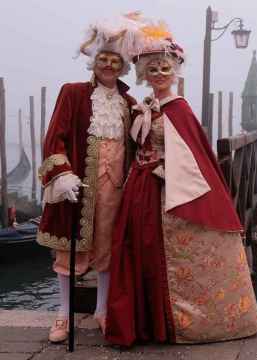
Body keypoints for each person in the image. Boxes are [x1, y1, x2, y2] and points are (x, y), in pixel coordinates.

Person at [106, 16, 257, 346]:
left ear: (174, 70)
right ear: (143, 73)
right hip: (140, 189)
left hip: (168, 190)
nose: (159, 74)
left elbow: (196, 155)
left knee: (166, 255)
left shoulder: (180, 109)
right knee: (139, 251)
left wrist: (167, 167)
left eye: (165, 68)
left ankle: (179, 323)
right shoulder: (144, 107)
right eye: (153, 69)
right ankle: (145, 321)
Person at [37, 15, 137, 343]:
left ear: (122, 66)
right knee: (69, 251)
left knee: (109, 251)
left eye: (114, 61)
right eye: (103, 59)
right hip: (77, 189)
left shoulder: (129, 103)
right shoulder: (73, 93)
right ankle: (64, 315)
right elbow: (55, 138)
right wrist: (62, 174)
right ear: (94, 61)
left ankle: (103, 311)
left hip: (116, 190)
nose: (108, 65)